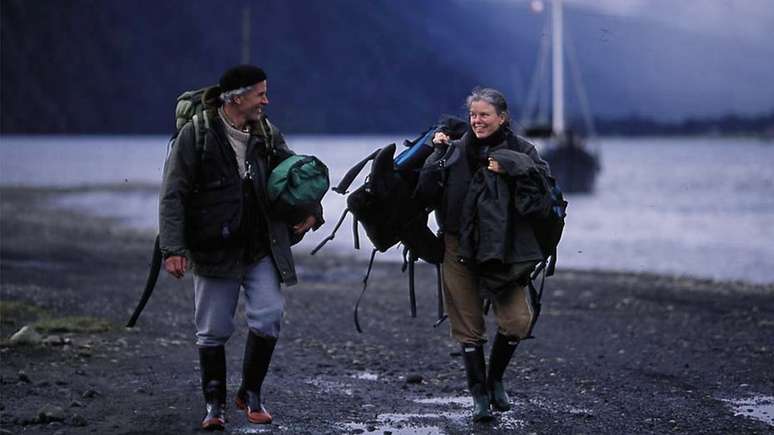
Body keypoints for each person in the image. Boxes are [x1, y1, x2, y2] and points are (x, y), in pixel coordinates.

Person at [158, 65, 321, 430]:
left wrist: (313, 210)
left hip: (262, 246)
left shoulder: (267, 132)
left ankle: (250, 394)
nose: (266, 99)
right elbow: (173, 195)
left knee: (269, 318)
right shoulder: (196, 135)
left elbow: (295, 175)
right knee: (213, 328)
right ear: (236, 98)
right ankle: (214, 405)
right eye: (260, 93)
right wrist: (172, 248)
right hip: (213, 250)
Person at [418, 87, 551, 422]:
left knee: (518, 320)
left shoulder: (523, 149)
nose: (477, 121)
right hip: (457, 247)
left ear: (502, 118)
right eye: (473, 115)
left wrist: (512, 167)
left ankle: (495, 380)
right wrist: (435, 155)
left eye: (484, 115)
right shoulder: (453, 149)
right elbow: (425, 193)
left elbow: (544, 193)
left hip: (505, 251)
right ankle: (479, 395)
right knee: (468, 326)